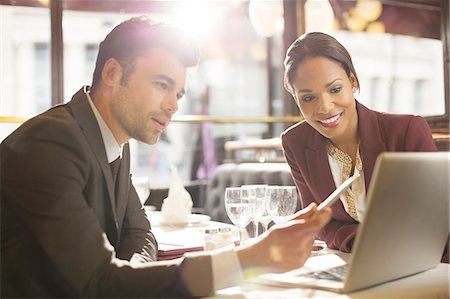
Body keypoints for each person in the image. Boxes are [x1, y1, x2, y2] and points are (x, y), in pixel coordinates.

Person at [0, 16, 331, 298]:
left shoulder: (113, 140)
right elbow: (99, 285)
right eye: (162, 85)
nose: (174, 105)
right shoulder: (51, 144)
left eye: (178, 93)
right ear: (112, 73)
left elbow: (141, 234)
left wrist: (131, 278)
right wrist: (249, 259)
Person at [281, 31, 448, 263]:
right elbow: (321, 221)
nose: (325, 107)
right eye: (308, 98)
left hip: (429, 264)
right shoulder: (295, 143)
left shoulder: (406, 130)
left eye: (335, 89)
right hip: (359, 262)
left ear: (352, 81)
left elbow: (436, 221)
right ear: (295, 97)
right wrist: (364, 243)